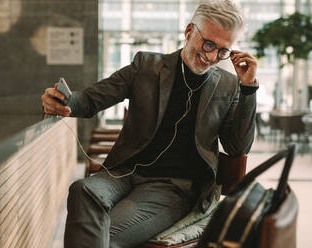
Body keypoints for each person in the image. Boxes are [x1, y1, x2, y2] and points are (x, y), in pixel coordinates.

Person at [41, 0, 259, 247]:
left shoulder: (229, 85)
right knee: (83, 190)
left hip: (173, 189)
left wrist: (248, 89)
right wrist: (65, 101)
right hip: (122, 173)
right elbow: (92, 99)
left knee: (104, 236)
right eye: (208, 43)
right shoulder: (146, 66)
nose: (211, 57)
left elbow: (237, 147)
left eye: (222, 51)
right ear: (189, 32)